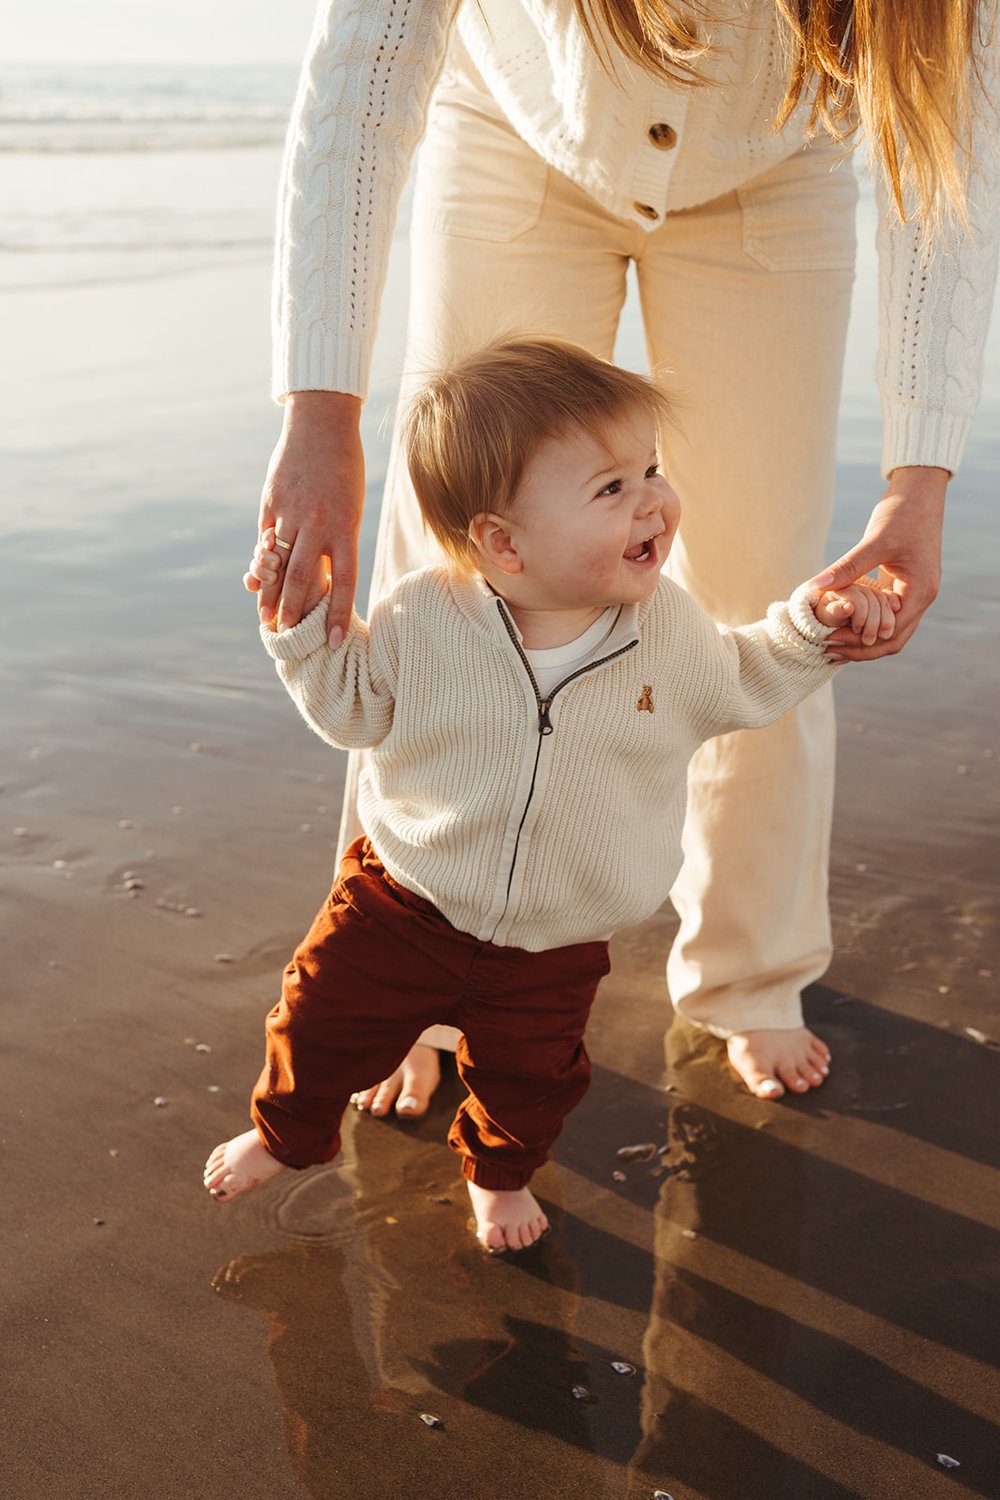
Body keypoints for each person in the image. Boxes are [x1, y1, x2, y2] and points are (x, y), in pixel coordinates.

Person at [255, 2, 999, 1106]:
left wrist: (917, 483)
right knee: (457, 585)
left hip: (772, 169)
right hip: (517, 136)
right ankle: (407, 971)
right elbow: (366, 69)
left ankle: (749, 972)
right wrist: (321, 411)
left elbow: (943, 161)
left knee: (776, 598)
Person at [205, 337, 899, 1251]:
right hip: (403, 901)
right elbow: (351, 709)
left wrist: (814, 627)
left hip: (556, 936)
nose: (653, 498)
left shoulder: (670, 635)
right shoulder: (425, 617)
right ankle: (288, 1134)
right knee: (315, 1020)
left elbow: (746, 675)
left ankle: (497, 1177)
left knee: (533, 1078)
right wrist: (299, 629)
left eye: (651, 469)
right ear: (502, 542)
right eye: (611, 488)